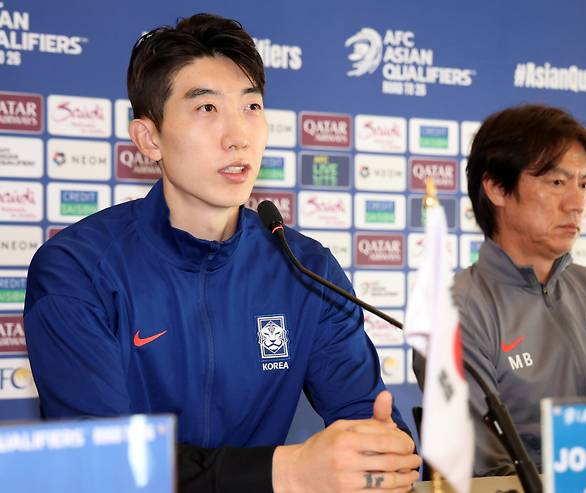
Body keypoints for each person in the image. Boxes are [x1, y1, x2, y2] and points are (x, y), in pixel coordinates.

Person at [24, 13, 420, 493]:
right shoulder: (78, 269)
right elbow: (102, 466)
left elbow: (374, 429)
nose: (238, 135)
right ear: (150, 139)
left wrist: (381, 455)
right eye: (207, 109)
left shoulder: (305, 268)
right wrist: (286, 472)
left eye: (251, 107)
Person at [414, 104, 586, 476]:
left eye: (584, 184)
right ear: (497, 187)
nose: (577, 204)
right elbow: (485, 473)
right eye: (557, 182)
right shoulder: (455, 310)